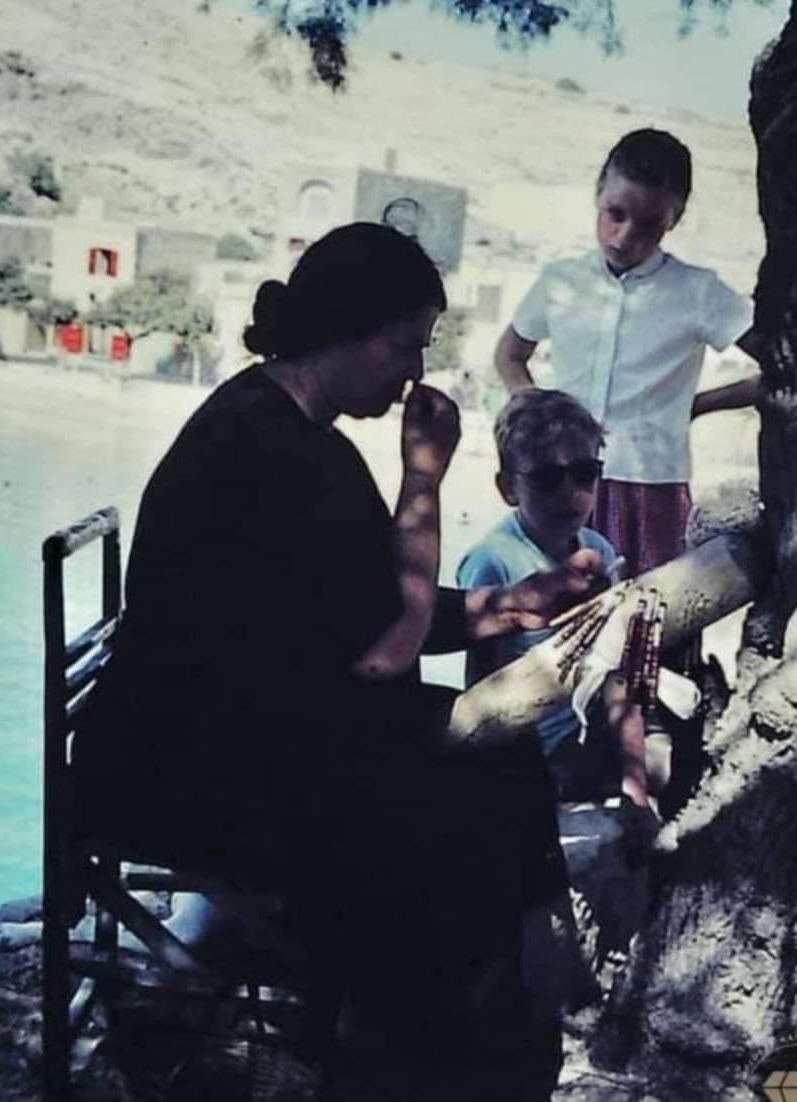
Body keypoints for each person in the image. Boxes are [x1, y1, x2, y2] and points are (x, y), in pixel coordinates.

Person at [73, 222, 610, 1100]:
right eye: (406, 344)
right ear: (349, 329)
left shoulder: (293, 432)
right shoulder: (274, 452)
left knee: (504, 768)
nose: (413, 373)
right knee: (457, 833)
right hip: (187, 770)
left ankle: (479, 1033)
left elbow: (366, 615)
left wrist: (521, 600)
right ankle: (423, 1055)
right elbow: (385, 652)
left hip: (249, 731)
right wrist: (426, 479)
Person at [494, 128, 760, 577]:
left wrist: (696, 406)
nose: (623, 236)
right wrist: (539, 411)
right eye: (614, 214)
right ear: (597, 193)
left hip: (649, 488)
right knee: (551, 618)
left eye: (648, 224)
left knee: (649, 619)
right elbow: (509, 354)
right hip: (558, 481)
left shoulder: (698, 292)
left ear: (673, 220)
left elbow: (783, 365)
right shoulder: (562, 280)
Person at [457, 388, 667, 818]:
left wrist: (636, 782)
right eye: (547, 478)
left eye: (585, 473)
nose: (570, 492)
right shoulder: (492, 562)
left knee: (668, 752)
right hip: (538, 750)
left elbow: (622, 674)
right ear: (508, 489)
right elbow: (479, 690)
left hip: (594, 724)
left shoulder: (599, 551)